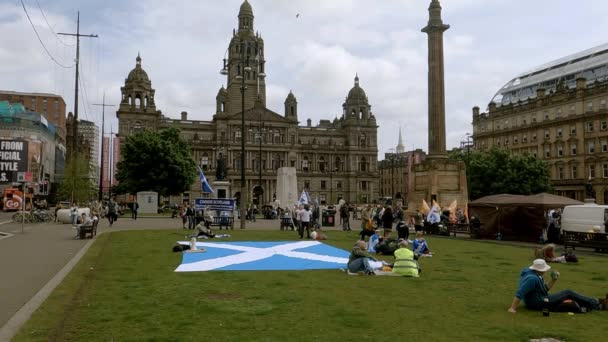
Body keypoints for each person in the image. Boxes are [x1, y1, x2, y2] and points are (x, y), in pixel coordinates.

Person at [508, 259, 607, 313]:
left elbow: (544, 290)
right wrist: (512, 308)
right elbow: (520, 293)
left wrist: (553, 280)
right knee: (568, 293)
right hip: (538, 303)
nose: (545, 271)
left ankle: (597, 303)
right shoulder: (532, 279)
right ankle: (597, 304)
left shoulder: (533, 275)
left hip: (540, 299)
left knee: (568, 296)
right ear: (540, 270)